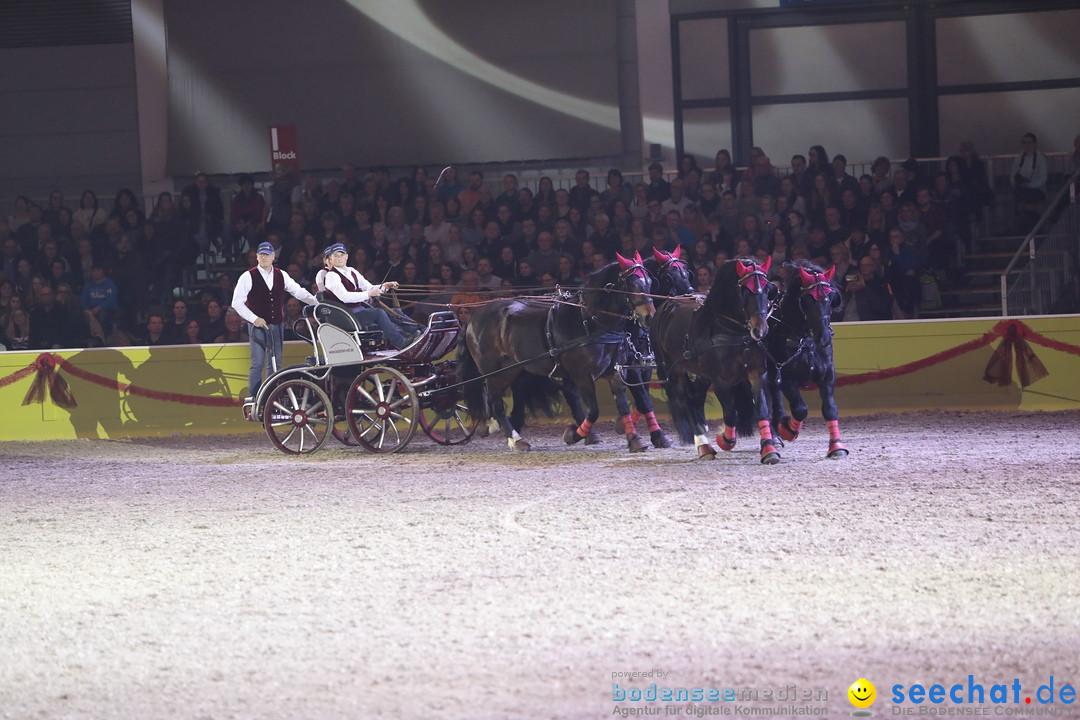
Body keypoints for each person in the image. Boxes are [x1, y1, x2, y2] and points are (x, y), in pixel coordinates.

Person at [231, 242, 319, 398]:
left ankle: (271, 395)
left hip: (276, 324)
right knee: (257, 363)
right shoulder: (248, 276)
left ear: (273, 257)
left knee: (275, 362)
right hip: (258, 325)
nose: (264, 257)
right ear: (257, 257)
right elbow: (237, 302)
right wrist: (254, 318)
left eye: (267, 255)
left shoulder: (281, 274)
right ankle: (254, 397)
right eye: (261, 255)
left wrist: (316, 302)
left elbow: (298, 291)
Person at [316, 243, 420, 350]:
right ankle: (400, 342)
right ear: (331, 258)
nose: (339, 258)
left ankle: (422, 331)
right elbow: (345, 297)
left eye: (341, 255)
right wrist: (368, 294)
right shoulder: (331, 276)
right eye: (336, 256)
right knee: (378, 313)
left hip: (360, 310)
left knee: (394, 311)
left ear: (346, 256)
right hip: (348, 314)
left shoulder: (352, 271)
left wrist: (385, 286)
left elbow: (369, 287)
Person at [1011, 132, 1049, 234]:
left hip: (1037, 189)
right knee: (1019, 196)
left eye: (1029, 143)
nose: (1026, 145)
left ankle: (1026, 226)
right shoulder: (1018, 158)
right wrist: (1018, 183)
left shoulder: (1041, 158)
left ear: (1035, 144)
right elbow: (1013, 175)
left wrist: (1029, 185)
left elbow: (1042, 179)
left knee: (1021, 201)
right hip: (1022, 189)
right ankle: (1023, 227)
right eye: (1024, 143)